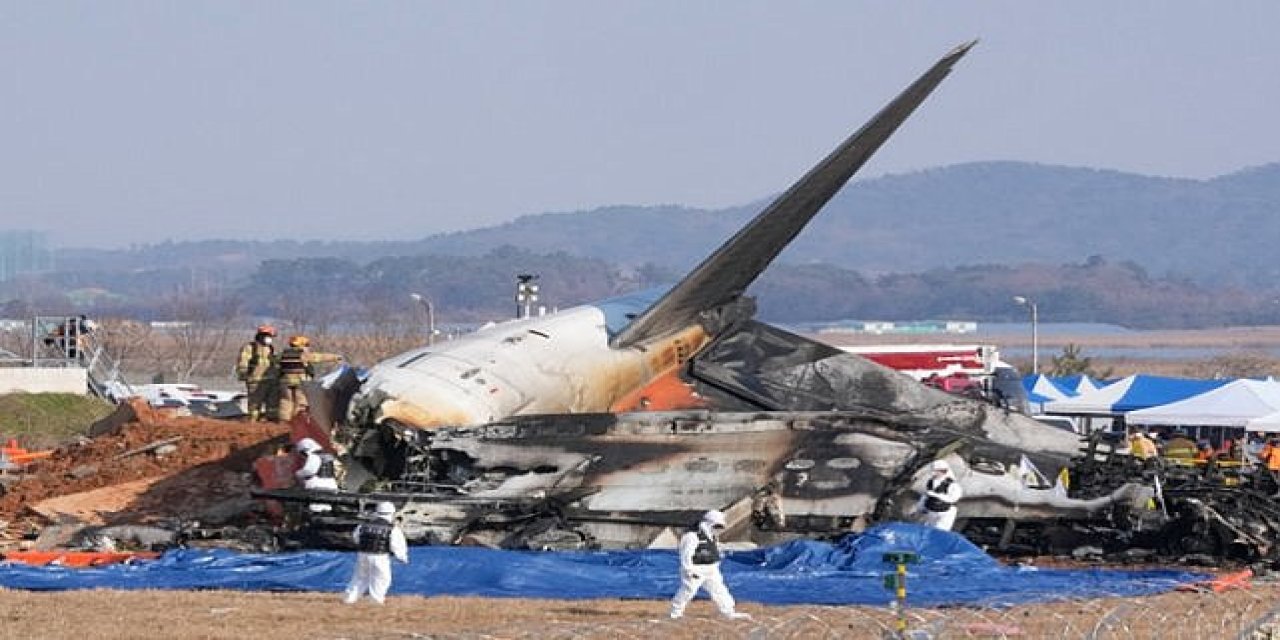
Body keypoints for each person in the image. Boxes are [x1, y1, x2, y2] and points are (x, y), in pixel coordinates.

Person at [668, 510, 751, 621]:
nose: (718, 529)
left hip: (711, 569)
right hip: (696, 568)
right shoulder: (692, 536)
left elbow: (713, 549)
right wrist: (689, 570)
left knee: (719, 589)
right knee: (688, 591)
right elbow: (685, 554)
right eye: (716, 526)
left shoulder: (712, 536)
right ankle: (675, 613)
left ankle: (728, 611)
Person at [343, 501, 409, 605]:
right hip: (380, 556)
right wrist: (402, 557)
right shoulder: (392, 528)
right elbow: (396, 545)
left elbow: (356, 538)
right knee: (381, 579)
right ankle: (375, 601)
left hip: (363, 554)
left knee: (359, 578)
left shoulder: (363, 526)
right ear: (392, 513)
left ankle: (349, 599)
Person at [276, 335, 343, 422]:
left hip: (285, 382)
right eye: (306, 345)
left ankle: (284, 420)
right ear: (301, 345)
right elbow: (320, 357)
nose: (307, 347)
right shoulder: (303, 355)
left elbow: (276, 363)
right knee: (300, 402)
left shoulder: (283, 354)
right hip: (300, 382)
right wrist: (335, 357)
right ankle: (297, 420)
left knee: (286, 400)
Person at [236, 325, 277, 422]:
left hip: (271, 380)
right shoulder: (250, 347)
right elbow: (243, 362)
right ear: (261, 336)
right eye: (268, 336)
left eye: (271, 337)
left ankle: (271, 423)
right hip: (255, 381)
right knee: (255, 404)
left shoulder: (270, 348)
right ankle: (252, 423)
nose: (270, 339)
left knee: (272, 405)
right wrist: (244, 374)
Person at [914, 459, 963, 531]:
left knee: (938, 531)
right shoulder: (931, 482)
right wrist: (920, 507)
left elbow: (953, 499)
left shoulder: (952, 485)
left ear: (942, 471)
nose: (933, 473)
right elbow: (925, 496)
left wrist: (937, 495)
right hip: (930, 511)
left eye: (936, 471)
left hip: (943, 513)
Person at [294, 437, 339, 513]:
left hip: (318, 486)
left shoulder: (314, 456)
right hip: (331, 485)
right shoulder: (328, 455)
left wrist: (298, 474)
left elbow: (309, 471)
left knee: (316, 509)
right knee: (326, 507)